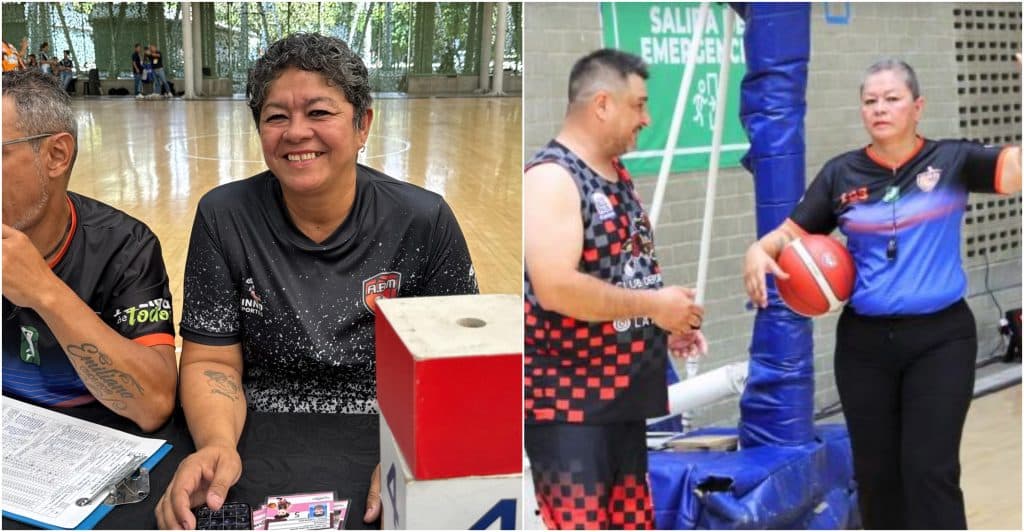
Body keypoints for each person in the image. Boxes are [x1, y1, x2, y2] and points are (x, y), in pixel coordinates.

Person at [154, 33, 478, 529]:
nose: (295, 132)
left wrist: (411, 459)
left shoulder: (422, 220)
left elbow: (459, 368)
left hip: (386, 432)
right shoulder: (223, 217)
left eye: (320, 113)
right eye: (276, 116)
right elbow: (211, 359)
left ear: (362, 122)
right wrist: (218, 445)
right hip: (254, 426)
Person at [743, 58, 1022, 529]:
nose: (879, 108)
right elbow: (787, 235)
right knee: (876, 476)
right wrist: (758, 249)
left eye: (892, 98)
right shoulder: (842, 175)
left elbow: (1015, 172)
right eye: (870, 101)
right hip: (864, 346)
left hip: (941, 340)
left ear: (917, 107)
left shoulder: (951, 160)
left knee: (929, 470)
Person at [523, 48, 707, 530]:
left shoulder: (617, 175)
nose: (646, 119)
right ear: (602, 103)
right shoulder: (552, 178)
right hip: (570, 410)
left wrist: (663, 326)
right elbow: (556, 288)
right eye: (639, 105)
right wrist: (654, 306)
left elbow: (621, 276)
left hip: (621, 403)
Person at [2, 69, 177, 432]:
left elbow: (154, 404)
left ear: (56, 155)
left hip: (91, 449)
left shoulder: (126, 248)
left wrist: (44, 292)